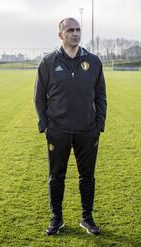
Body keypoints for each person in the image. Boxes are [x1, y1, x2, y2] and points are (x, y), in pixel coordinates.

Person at [34, 17, 107, 235]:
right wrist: (45, 126)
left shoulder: (94, 62)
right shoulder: (48, 62)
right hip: (58, 131)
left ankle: (87, 218)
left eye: (78, 30)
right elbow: (39, 98)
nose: (75, 33)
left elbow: (101, 96)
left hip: (87, 130)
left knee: (87, 177)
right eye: (70, 30)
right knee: (57, 176)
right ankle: (57, 219)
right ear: (61, 35)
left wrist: (98, 125)